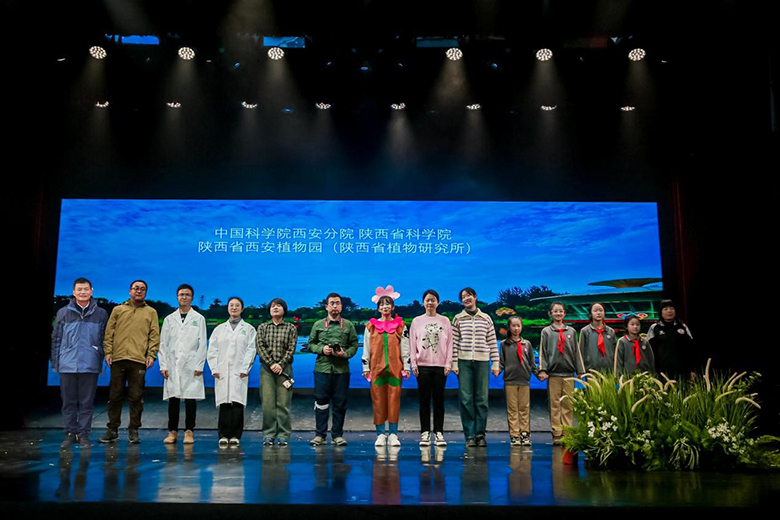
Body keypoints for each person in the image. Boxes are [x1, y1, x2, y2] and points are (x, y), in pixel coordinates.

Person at [100, 280, 160, 444]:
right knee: (115, 396)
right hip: (118, 359)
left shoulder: (151, 312)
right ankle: (112, 429)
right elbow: (109, 333)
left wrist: (151, 355)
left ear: (145, 292)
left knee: (136, 397)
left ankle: (134, 429)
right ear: (130, 291)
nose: (139, 291)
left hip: (138, 360)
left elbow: (154, 335)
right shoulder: (118, 310)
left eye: (142, 289)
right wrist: (108, 352)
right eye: (136, 288)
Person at [51, 277, 108, 449]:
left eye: (86, 289)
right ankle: (70, 433)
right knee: (68, 402)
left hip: (90, 364)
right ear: (74, 292)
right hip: (67, 365)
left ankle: (83, 435)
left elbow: (104, 340)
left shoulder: (101, 314)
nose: (83, 292)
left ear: (92, 291)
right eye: (79, 289)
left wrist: (100, 362)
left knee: (86, 403)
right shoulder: (63, 313)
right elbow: (56, 339)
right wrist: (56, 363)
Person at [307, 293, 359, 447]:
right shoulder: (318, 324)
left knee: (340, 403)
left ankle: (337, 435)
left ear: (341, 306)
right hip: (322, 369)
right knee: (321, 402)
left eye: (337, 303)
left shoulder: (348, 325)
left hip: (341, 370)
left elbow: (354, 345)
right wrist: (322, 349)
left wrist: (345, 354)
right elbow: (310, 344)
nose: (335, 306)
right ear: (326, 307)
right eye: (332, 303)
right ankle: (320, 435)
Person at [158, 284, 208, 444]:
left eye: (187, 295)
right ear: (177, 297)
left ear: (192, 298)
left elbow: (202, 344)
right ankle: (172, 431)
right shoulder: (169, 319)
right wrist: (163, 365)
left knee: (190, 399)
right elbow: (163, 344)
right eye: (181, 294)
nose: (184, 297)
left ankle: (189, 431)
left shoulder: (198, 319)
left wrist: (199, 365)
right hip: (172, 364)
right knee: (173, 399)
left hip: (191, 364)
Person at [451, 287, 499, 448]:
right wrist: (454, 363)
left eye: (469, 295)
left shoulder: (486, 318)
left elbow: (492, 341)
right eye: (463, 297)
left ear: (475, 297)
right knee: (465, 399)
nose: (466, 298)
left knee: (482, 399)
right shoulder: (458, 319)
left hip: (482, 361)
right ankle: (470, 436)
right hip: (463, 361)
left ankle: (480, 435)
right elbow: (454, 343)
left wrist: (496, 363)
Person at [362, 286, 410, 448]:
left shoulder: (401, 326)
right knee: (378, 400)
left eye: (388, 304)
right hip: (376, 369)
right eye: (382, 304)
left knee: (394, 400)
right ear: (378, 308)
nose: (385, 307)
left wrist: (407, 366)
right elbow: (366, 348)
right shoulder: (370, 326)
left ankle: (394, 434)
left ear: (393, 306)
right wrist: (365, 367)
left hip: (395, 369)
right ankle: (381, 434)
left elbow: (405, 347)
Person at [207, 297, 257, 448]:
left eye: (237, 305)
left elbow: (251, 350)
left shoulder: (249, 329)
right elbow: (212, 350)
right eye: (231, 305)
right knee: (224, 403)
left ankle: (235, 435)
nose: (234, 308)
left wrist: (245, 368)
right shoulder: (219, 329)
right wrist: (214, 368)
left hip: (240, 371)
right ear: (228, 308)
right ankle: (223, 435)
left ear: (242, 309)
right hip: (222, 371)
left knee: (237, 403)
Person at [409, 289, 452, 448]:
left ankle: (439, 432)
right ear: (423, 302)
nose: (430, 302)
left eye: (433, 300)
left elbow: (450, 343)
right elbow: (412, 344)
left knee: (439, 400)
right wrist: (413, 363)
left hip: (440, 366)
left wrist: (448, 363)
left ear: (438, 303)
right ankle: (425, 432)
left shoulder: (445, 321)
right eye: (427, 300)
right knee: (424, 400)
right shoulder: (416, 321)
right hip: (423, 366)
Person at [537, 302, 584, 445]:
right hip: (554, 374)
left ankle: (567, 432)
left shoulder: (571, 331)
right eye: (555, 311)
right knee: (555, 403)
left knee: (568, 404)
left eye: (560, 311)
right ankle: (556, 432)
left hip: (569, 373)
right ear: (550, 314)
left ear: (564, 314)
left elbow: (576, 352)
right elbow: (543, 352)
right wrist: (543, 369)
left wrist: (580, 371)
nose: (558, 314)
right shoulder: (546, 331)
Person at [256, 298, 297, 447]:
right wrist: (272, 363)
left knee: (283, 403)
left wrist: (280, 364)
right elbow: (260, 346)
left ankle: (283, 435)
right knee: (268, 403)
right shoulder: (263, 327)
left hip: (284, 369)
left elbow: (291, 348)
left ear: (284, 310)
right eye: (273, 306)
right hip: (267, 369)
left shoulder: (290, 328)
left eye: (279, 306)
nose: (275, 308)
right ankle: (269, 434)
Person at [499, 316, 539, 447]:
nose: (516, 328)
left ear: (522, 327)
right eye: (513, 326)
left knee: (524, 408)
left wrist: (538, 374)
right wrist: (497, 370)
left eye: (518, 326)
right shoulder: (504, 344)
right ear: (509, 327)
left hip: (524, 380)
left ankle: (525, 433)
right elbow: (501, 362)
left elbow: (532, 363)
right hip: (510, 381)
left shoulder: (527, 344)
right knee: (512, 409)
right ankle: (514, 435)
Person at [646, 299, 697, 380]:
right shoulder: (654, 328)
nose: (669, 311)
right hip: (662, 372)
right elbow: (648, 351)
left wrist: (692, 369)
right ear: (660, 312)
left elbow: (691, 349)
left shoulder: (683, 326)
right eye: (665, 309)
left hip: (683, 371)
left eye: (671, 308)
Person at [578, 302, 617, 374]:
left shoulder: (611, 331)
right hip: (591, 371)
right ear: (590, 314)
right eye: (595, 311)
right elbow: (581, 352)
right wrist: (581, 370)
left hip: (609, 371)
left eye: (601, 310)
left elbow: (615, 351)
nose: (598, 313)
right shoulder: (585, 331)